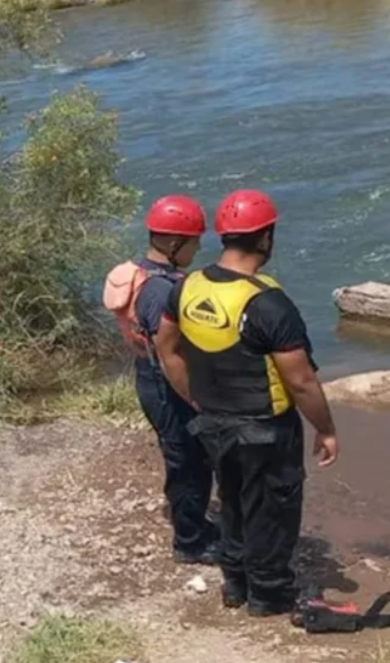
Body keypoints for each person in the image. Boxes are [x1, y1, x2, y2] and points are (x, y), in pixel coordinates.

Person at [153, 189, 339, 617]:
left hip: (213, 422)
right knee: (272, 508)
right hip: (265, 428)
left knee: (233, 501)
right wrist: (326, 429)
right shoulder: (268, 303)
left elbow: (167, 350)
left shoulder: (187, 287)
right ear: (265, 238)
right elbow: (302, 381)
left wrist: (194, 398)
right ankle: (269, 595)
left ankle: (235, 583)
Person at [104, 194, 222, 564]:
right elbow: (170, 353)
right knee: (189, 460)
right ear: (174, 244)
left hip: (149, 375)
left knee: (182, 454)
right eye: (193, 243)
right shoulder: (162, 291)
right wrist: (195, 399)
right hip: (166, 383)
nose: (197, 249)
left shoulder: (142, 274)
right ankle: (190, 542)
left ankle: (194, 523)